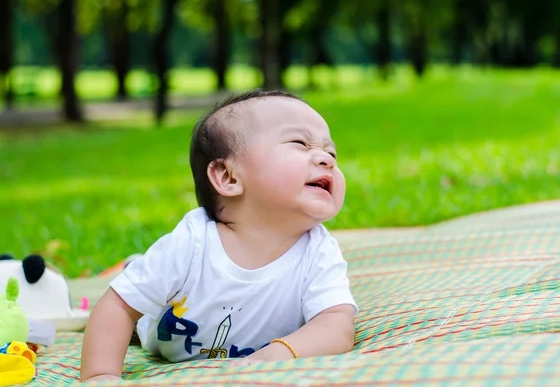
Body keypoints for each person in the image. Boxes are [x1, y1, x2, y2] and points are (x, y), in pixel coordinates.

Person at [79, 89, 358, 382]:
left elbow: (336, 325)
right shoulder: (192, 244)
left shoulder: (319, 249)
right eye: (300, 143)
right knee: (139, 290)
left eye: (330, 152)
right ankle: (134, 268)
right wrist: (100, 375)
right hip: (162, 325)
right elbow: (118, 307)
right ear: (228, 177)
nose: (326, 159)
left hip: (242, 350)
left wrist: (279, 354)